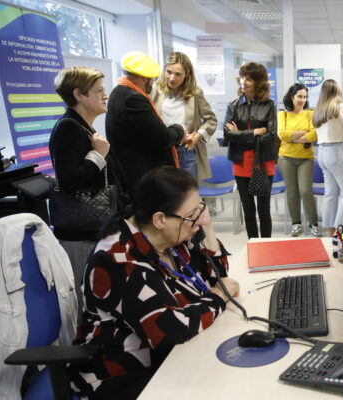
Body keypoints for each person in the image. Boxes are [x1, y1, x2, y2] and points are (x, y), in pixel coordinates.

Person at [67, 166, 240, 399]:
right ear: (160, 219)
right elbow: (170, 330)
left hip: (170, 357)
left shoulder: (172, 236)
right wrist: (218, 297)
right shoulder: (117, 260)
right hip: (121, 373)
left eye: (200, 208)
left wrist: (205, 225)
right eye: (192, 215)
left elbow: (217, 275)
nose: (198, 219)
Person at [49, 66, 127, 316]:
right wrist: (98, 155)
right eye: (99, 91)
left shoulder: (84, 127)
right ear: (79, 95)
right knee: (89, 300)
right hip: (81, 233)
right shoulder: (68, 127)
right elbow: (70, 182)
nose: (106, 96)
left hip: (95, 228)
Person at [106, 51, 185, 195]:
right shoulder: (133, 98)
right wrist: (180, 129)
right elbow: (164, 137)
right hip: (142, 177)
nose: (153, 83)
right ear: (143, 78)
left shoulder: (119, 92)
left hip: (134, 174)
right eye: (152, 79)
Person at [223, 62, 278, 239]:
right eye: (243, 78)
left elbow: (271, 135)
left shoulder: (269, 105)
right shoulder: (233, 106)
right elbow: (227, 135)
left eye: (250, 79)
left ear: (259, 82)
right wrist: (254, 132)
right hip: (240, 162)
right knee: (248, 209)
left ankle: (267, 246)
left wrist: (239, 134)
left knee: (264, 209)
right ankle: (253, 244)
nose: (244, 82)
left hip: (263, 162)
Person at [151, 51, 217, 181]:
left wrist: (198, 136)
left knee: (188, 195)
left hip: (186, 151)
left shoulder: (195, 93)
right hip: (162, 151)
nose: (171, 78)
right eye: (169, 72)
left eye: (177, 74)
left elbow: (211, 119)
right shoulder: (154, 89)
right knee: (165, 195)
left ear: (186, 74)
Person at [313, 79, 343, 230]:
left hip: (322, 153)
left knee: (331, 193)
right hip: (337, 151)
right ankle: (340, 233)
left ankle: (329, 232)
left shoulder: (318, 110)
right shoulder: (340, 107)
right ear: (337, 91)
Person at [277, 83, 320, 237]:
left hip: (305, 159)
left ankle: (314, 224)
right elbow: (282, 134)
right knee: (292, 192)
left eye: (305, 97)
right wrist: (301, 134)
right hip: (285, 158)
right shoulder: (283, 114)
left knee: (306, 191)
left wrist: (293, 137)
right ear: (292, 97)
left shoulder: (310, 114)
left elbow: (314, 135)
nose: (302, 99)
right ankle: (296, 224)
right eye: (299, 96)